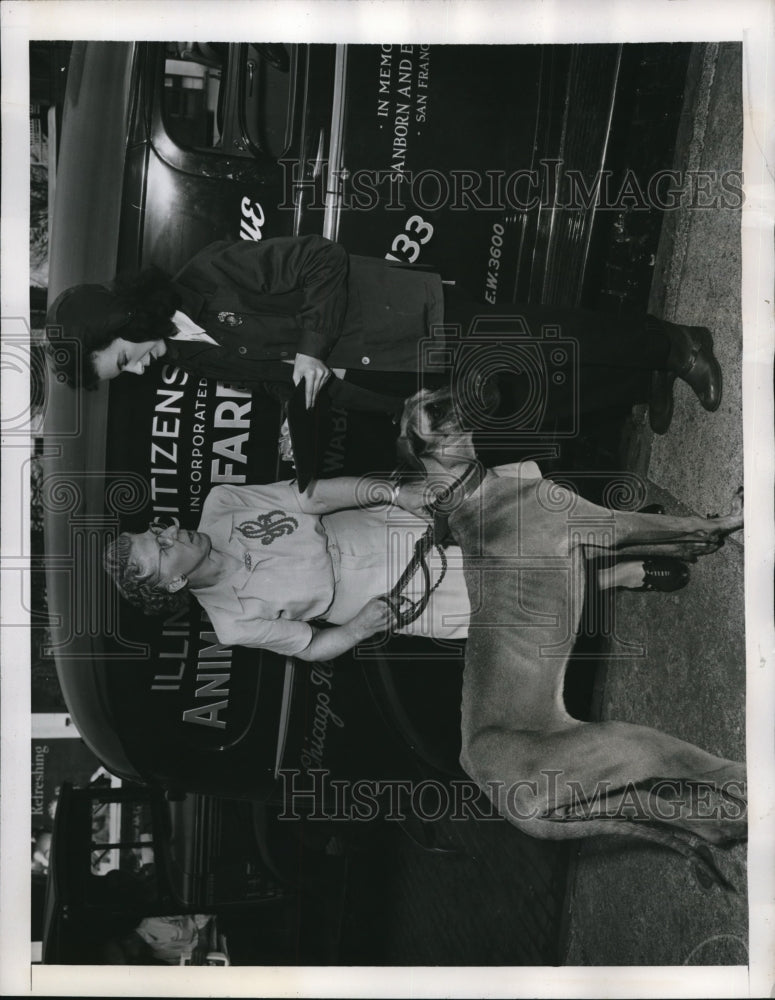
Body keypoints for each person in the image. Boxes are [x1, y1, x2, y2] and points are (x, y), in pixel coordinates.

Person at [47, 235, 721, 434]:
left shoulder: (210, 274)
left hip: (403, 315)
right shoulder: (189, 356)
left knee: (543, 337)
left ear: (124, 322)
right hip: (388, 365)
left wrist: (310, 348)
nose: (136, 372)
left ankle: (675, 344)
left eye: (122, 361)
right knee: (519, 402)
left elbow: (320, 259)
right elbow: (290, 386)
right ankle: (639, 379)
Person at [104, 475, 690, 657]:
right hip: (382, 595)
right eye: (158, 547)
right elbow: (308, 645)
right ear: (173, 582)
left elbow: (310, 496)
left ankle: (633, 528)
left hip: (375, 528)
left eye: (152, 528)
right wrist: (358, 629)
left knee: (516, 522)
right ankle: (626, 573)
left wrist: (390, 493)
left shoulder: (223, 503)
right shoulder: (232, 622)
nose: (166, 529)